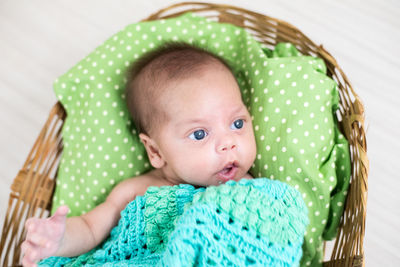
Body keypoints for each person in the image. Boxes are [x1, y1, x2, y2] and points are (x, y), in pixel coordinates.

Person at [21, 42, 257, 267]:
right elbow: (89, 228)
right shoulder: (135, 191)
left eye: (237, 123)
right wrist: (58, 239)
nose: (228, 143)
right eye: (199, 134)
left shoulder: (249, 191)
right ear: (155, 151)